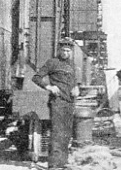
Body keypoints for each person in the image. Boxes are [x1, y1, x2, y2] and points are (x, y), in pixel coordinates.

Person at [32, 37, 80, 169]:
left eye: (68, 51)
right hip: (57, 102)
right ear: (59, 50)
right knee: (57, 133)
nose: (66, 53)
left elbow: (74, 81)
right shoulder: (52, 63)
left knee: (67, 134)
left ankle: (63, 163)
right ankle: (53, 165)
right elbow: (36, 78)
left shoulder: (72, 65)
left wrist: (76, 88)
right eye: (63, 50)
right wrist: (49, 87)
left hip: (70, 103)